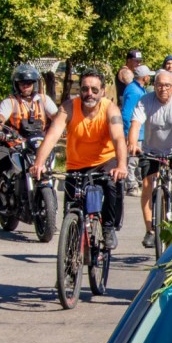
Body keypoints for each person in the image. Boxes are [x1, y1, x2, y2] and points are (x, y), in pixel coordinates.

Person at [28, 68, 128, 250]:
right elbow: (52, 136)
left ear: (103, 92)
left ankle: (107, 228)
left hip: (105, 161)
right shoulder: (68, 108)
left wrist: (121, 165)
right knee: (72, 211)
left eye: (94, 90)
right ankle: (69, 264)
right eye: (85, 89)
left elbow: (119, 138)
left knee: (113, 183)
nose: (89, 93)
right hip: (76, 164)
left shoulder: (110, 109)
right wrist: (38, 163)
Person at [0, 64, 60, 222]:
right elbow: (0, 119)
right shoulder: (10, 102)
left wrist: (66, 126)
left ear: (34, 84)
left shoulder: (44, 100)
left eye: (29, 83)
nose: (26, 86)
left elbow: (58, 117)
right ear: (16, 84)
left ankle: (48, 208)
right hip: (13, 144)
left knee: (49, 168)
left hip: (38, 144)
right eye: (22, 83)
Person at [127, 70, 172, 249]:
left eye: (167, 85)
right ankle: (150, 230)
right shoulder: (145, 101)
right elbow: (135, 124)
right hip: (152, 150)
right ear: (154, 86)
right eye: (159, 85)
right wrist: (132, 144)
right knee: (147, 185)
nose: (163, 89)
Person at [120, 64, 153, 197]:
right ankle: (130, 186)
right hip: (135, 133)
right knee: (132, 161)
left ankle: (138, 182)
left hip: (141, 132)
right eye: (148, 76)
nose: (149, 78)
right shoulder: (134, 91)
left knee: (138, 160)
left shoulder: (139, 89)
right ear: (145, 77)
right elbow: (127, 113)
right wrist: (128, 133)